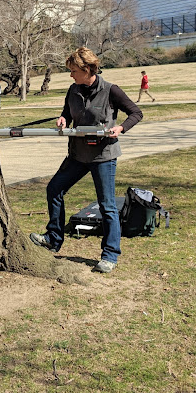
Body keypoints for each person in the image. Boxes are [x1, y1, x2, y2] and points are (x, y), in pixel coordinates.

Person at [29, 47, 143, 273]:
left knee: (107, 206)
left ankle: (110, 255)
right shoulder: (73, 90)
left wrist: (120, 127)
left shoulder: (111, 90)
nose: (70, 75)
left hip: (103, 156)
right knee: (54, 189)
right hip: (77, 155)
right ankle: (53, 238)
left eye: (73, 70)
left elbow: (136, 113)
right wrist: (63, 119)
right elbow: (66, 113)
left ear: (87, 69)